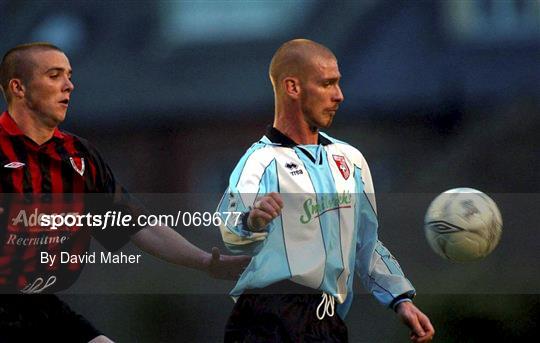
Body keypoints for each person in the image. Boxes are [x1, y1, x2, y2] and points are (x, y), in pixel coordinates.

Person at [0, 42, 250, 342]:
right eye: (54, 75)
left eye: (69, 75)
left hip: (41, 307)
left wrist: (203, 261)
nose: (69, 85)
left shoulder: (78, 156)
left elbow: (138, 225)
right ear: (19, 88)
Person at [218, 39, 435, 342]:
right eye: (327, 84)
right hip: (269, 317)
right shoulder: (260, 161)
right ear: (292, 87)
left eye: (338, 83)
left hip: (327, 320)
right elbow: (228, 226)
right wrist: (252, 221)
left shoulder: (351, 160)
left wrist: (401, 298)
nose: (339, 95)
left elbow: (366, 242)